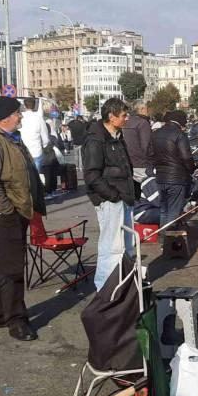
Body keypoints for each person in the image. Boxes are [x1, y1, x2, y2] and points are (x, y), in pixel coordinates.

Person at [0, 96, 46, 341]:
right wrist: (6, 210)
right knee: (13, 269)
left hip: (17, 210)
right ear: (5, 117)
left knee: (5, 265)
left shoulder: (10, 139)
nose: (21, 116)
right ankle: (17, 320)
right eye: (17, 113)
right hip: (3, 214)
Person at [82, 98, 135, 291]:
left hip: (124, 197)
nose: (127, 118)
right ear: (111, 117)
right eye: (123, 115)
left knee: (127, 247)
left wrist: (131, 192)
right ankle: (105, 290)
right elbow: (91, 175)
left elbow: (124, 167)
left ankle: (125, 285)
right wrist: (113, 196)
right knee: (111, 248)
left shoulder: (117, 136)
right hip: (111, 200)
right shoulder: (95, 140)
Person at [150, 110, 195, 230]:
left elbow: (149, 154)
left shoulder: (155, 133)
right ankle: (169, 240)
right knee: (174, 212)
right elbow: (186, 157)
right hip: (176, 178)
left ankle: (164, 238)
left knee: (164, 211)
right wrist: (191, 169)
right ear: (181, 121)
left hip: (160, 178)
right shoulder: (180, 134)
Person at [123, 100, 154, 183]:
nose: (148, 111)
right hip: (142, 165)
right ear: (142, 109)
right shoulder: (143, 123)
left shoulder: (126, 122)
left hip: (129, 162)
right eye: (147, 109)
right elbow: (146, 146)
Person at [19, 97, 51, 172]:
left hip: (22, 152)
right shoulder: (39, 118)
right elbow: (45, 138)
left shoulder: (20, 117)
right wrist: (44, 146)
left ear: (24, 105)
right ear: (34, 105)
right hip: (36, 152)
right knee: (37, 177)